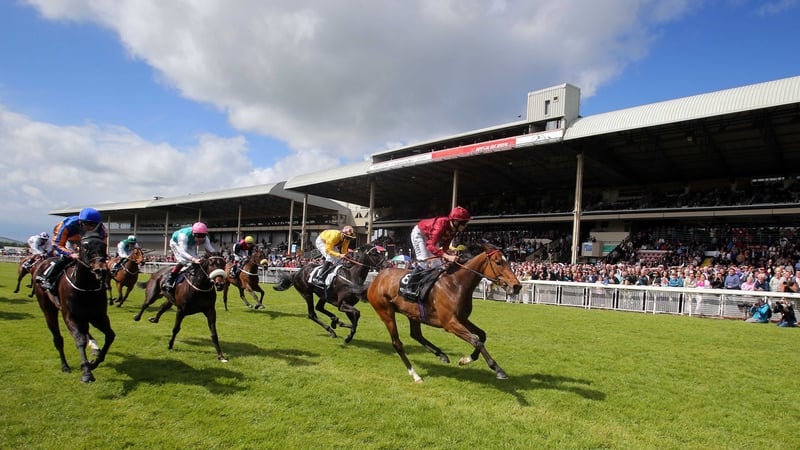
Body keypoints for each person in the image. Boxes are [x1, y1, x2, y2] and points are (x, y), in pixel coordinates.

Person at [36, 207, 108, 292]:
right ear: (81, 222)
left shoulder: (101, 229)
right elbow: (56, 243)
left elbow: (101, 245)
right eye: (88, 224)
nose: (91, 227)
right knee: (65, 258)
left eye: (94, 225)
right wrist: (70, 254)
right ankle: (48, 277)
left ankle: (103, 281)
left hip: (88, 242)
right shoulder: (68, 224)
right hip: (70, 240)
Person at [410, 206, 471, 270]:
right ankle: (409, 280)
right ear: (456, 222)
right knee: (423, 261)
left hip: (430, 239)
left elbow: (445, 246)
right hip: (420, 234)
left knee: (437, 264)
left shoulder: (453, 230)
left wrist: (449, 255)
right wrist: (447, 256)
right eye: (464, 223)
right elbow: (430, 245)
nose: (465, 226)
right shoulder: (440, 224)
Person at [161, 222, 216, 291]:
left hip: (190, 245)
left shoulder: (205, 238)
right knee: (184, 261)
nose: (201, 239)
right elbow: (182, 252)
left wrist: (218, 257)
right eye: (198, 236)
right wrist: (193, 259)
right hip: (176, 243)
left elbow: (211, 249)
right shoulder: (184, 236)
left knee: (197, 261)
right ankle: (169, 280)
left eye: (203, 236)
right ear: (193, 234)